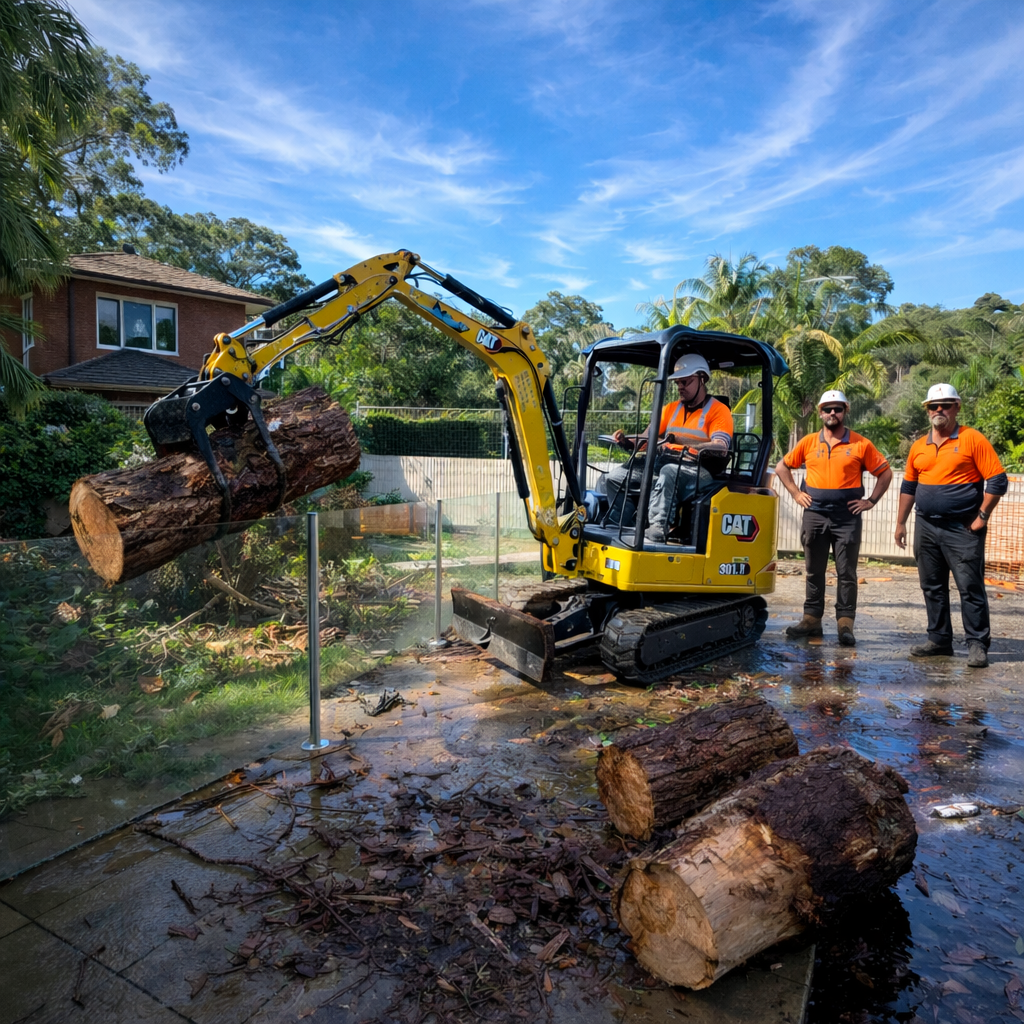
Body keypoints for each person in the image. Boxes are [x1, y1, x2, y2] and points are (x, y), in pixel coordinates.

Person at [894, 383, 1007, 668]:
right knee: (932, 586)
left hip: (963, 529)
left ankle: (977, 644)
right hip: (926, 526)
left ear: (957, 407)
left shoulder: (972, 439)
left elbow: (997, 480)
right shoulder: (919, 446)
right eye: (934, 406)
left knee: (969, 586)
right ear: (927, 410)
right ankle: (939, 640)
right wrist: (901, 523)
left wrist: (982, 516)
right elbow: (908, 486)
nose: (939, 410)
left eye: (945, 404)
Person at [775, 390, 892, 646]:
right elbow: (782, 467)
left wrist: (870, 501)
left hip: (846, 517)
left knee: (846, 572)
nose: (832, 413)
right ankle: (811, 620)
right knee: (813, 570)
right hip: (814, 515)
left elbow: (885, 473)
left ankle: (845, 624)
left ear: (845, 411)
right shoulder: (808, 442)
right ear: (820, 412)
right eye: (827, 409)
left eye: (837, 409)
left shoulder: (860, 444)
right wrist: (795, 493)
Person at [605, 353, 733, 542]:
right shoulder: (670, 409)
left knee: (669, 472)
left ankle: (659, 526)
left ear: (702, 378)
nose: (680, 387)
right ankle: (620, 526)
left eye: (685, 382)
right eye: (678, 383)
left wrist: (683, 442)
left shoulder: (719, 410)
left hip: (699, 471)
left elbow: (721, 447)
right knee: (615, 478)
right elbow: (647, 439)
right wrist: (626, 441)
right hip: (664, 464)